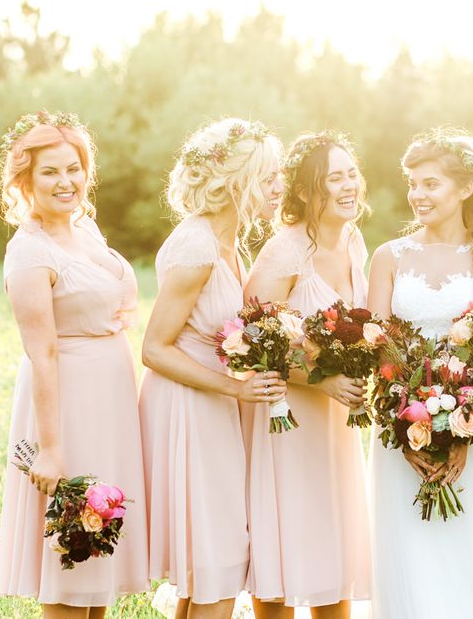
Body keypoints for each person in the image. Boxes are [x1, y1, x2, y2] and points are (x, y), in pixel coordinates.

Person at [0, 110, 149, 617]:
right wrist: (53, 450)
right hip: (68, 409)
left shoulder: (87, 231)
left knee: (97, 555)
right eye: (50, 172)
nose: (66, 182)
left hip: (110, 404)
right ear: (25, 181)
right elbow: (43, 353)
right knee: (69, 558)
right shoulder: (29, 254)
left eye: (73, 168)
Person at [367, 129, 473, 619]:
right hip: (399, 426)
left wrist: (462, 430)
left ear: (465, 188)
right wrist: (406, 429)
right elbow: (378, 348)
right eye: (413, 184)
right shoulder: (388, 256)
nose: (417, 195)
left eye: (430, 184)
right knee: (411, 552)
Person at [139, 118, 287, 619]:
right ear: (236, 181)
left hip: (217, 406)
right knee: (219, 560)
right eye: (267, 177)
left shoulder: (232, 243)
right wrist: (235, 388)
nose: (278, 187)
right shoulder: (197, 245)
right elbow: (155, 348)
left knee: (210, 565)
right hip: (190, 410)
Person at [243, 131, 371, 619]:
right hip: (290, 418)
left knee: (331, 543)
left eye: (350, 175)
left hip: (338, 422)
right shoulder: (284, 253)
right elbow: (250, 338)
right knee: (288, 541)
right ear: (303, 191)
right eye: (332, 178)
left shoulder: (355, 242)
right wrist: (322, 380)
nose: (346, 187)